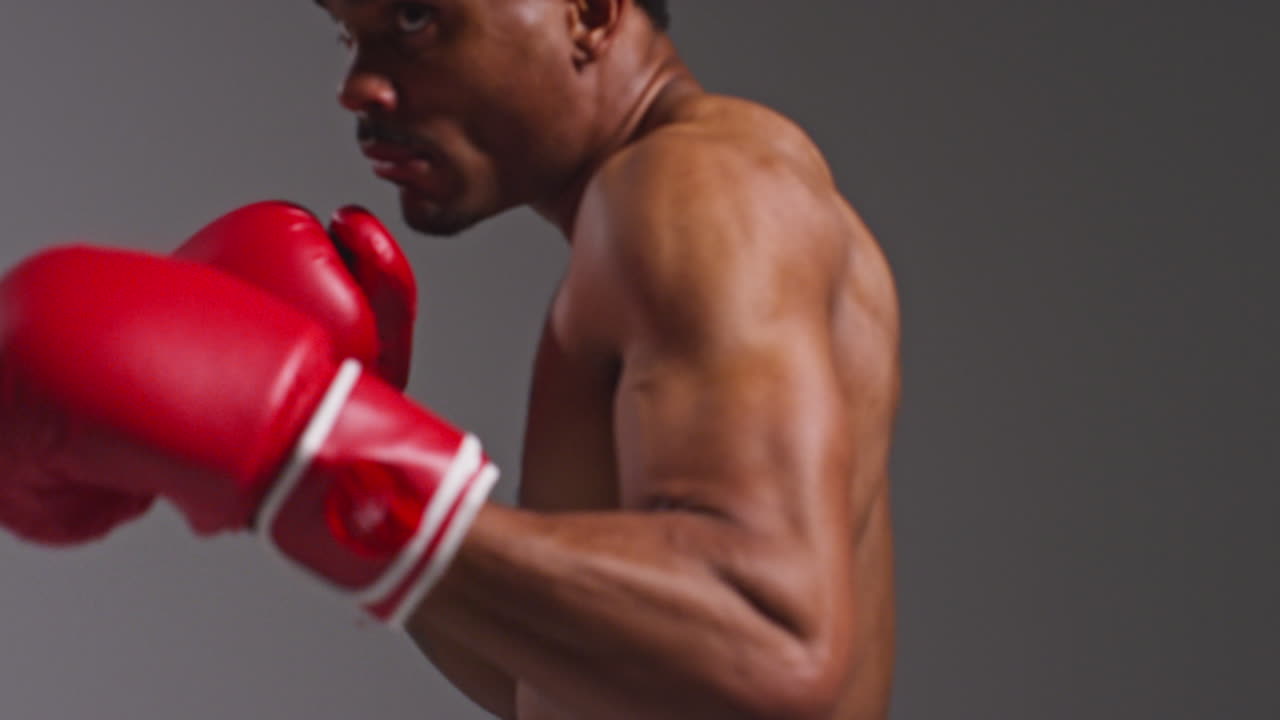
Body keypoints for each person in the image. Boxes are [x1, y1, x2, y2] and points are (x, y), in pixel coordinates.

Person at [0, 1, 900, 718]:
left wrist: (315, 454)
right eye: (351, 34)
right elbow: (553, 687)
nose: (356, 87)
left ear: (587, 11)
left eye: (418, 18)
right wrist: (371, 425)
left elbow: (768, 640)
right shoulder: (665, 210)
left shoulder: (695, 189)